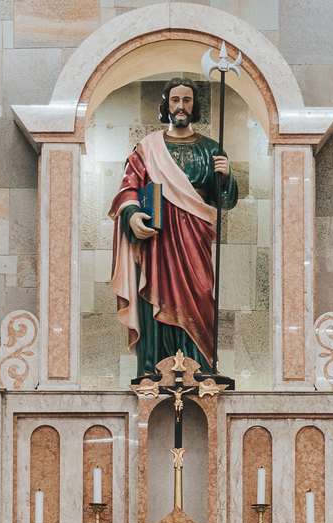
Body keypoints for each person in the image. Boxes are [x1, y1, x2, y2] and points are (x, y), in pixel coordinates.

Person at [109, 77, 240, 376]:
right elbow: (128, 188)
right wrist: (131, 214)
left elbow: (225, 200)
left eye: (187, 100)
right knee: (155, 294)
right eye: (175, 100)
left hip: (194, 236)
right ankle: (154, 369)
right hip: (158, 240)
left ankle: (202, 366)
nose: (181, 106)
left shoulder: (211, 149)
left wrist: (226, 176)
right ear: (166, 105)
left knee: (201, 293)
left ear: (195, 107)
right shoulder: (146, 148)